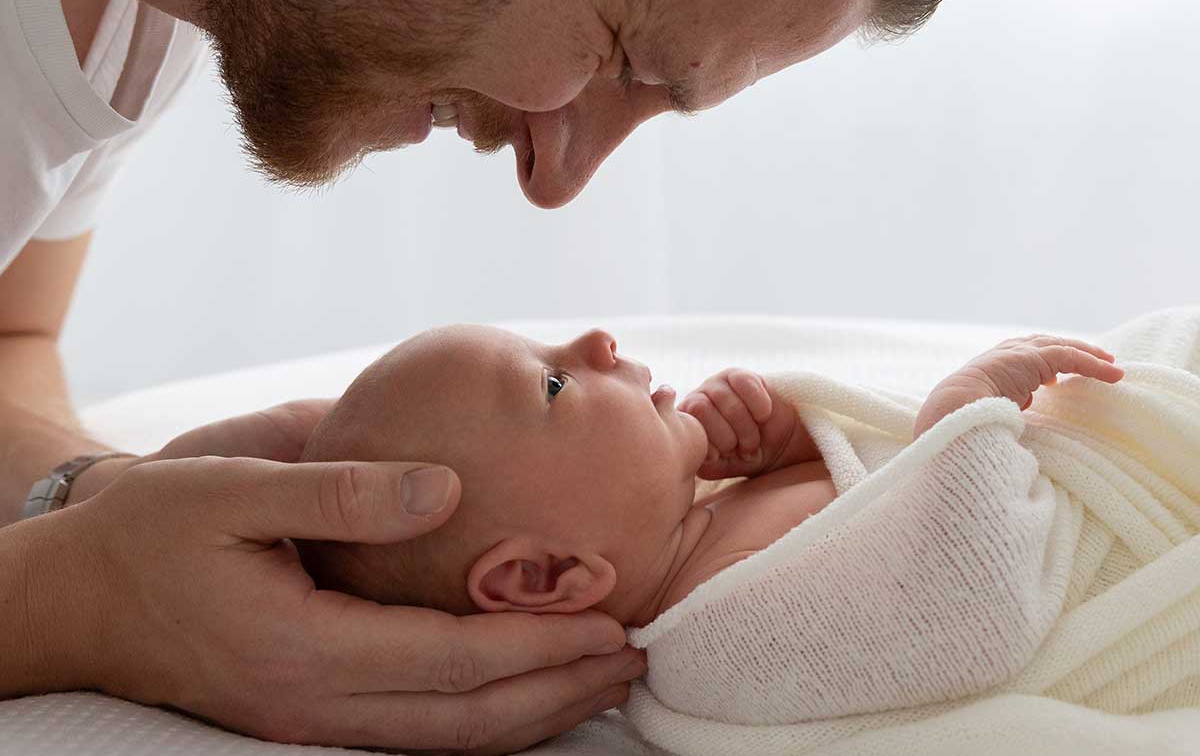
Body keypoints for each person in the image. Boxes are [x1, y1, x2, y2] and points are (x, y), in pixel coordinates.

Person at [0, 0, 997, 753]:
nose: (556, 178)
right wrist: (67, 604)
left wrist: (102, 502)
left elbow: (7, 338)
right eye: (625, 55)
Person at [293, 325, 1127, 623]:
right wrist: (963, 412)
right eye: (552, 383)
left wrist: (795, 440)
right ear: (540, 575)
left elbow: (866, 482)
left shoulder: (703, 535)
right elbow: (968, 590)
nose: (596, 342)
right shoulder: (726, 625)